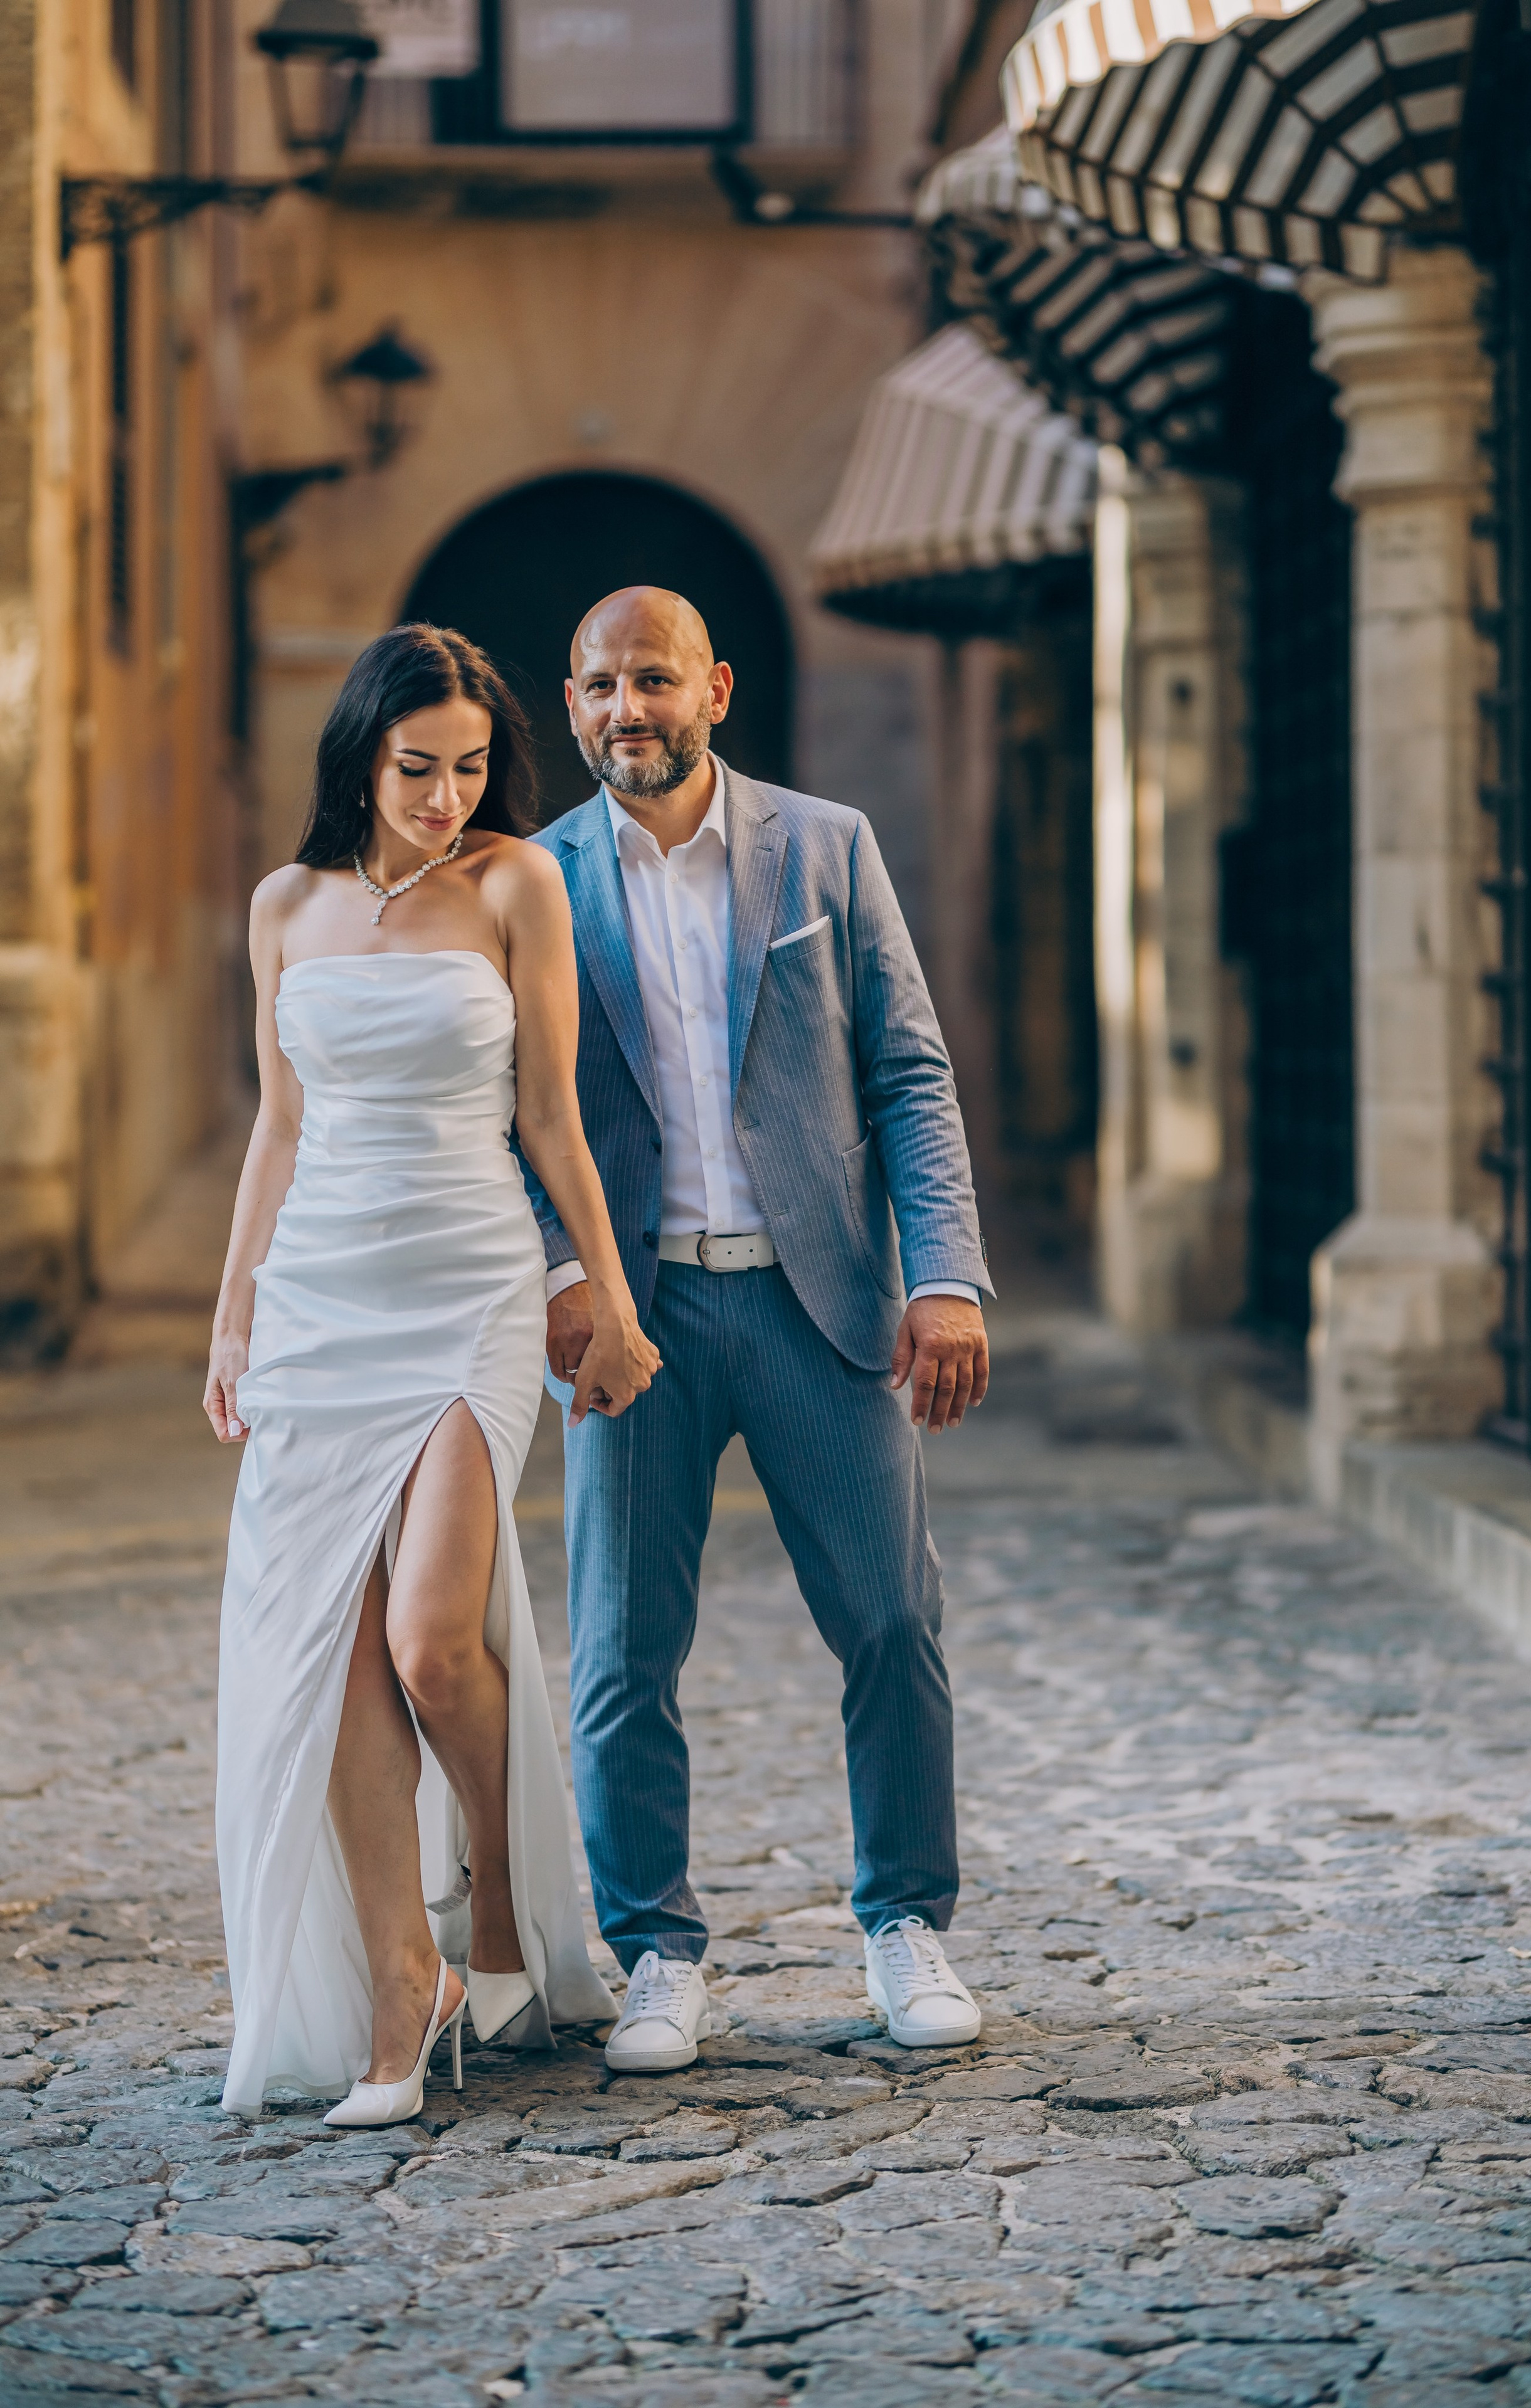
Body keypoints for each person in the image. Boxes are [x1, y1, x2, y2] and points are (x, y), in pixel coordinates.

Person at [523, 585, 994, 2073]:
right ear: (573, 701)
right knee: (620, 1655)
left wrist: (944, 1276)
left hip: (819, 1304)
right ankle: (654, 1952)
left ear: (713, 689)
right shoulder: (532, 882)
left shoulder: (825, 847)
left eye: (653, 680)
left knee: (890, 1623)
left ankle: (904, 1921)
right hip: (636, 1318)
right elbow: (510, 1111)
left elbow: (907, 1073)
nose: (627, 710)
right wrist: (562, 1277)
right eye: (600, 685)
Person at [204, 624, 657, 2125]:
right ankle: (408, 1981)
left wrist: (608, 1298)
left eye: (468, 768)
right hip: (319, 1305)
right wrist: (234, 1315)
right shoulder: (285, 906)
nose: (444, 797)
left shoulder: (516, 884)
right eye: (416, 769)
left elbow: (552, 1116)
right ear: (360, 758)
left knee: (429, 1643)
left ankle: (505, 1895)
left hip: (468, 1291)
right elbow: (278, 1126)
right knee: (332, 1648)